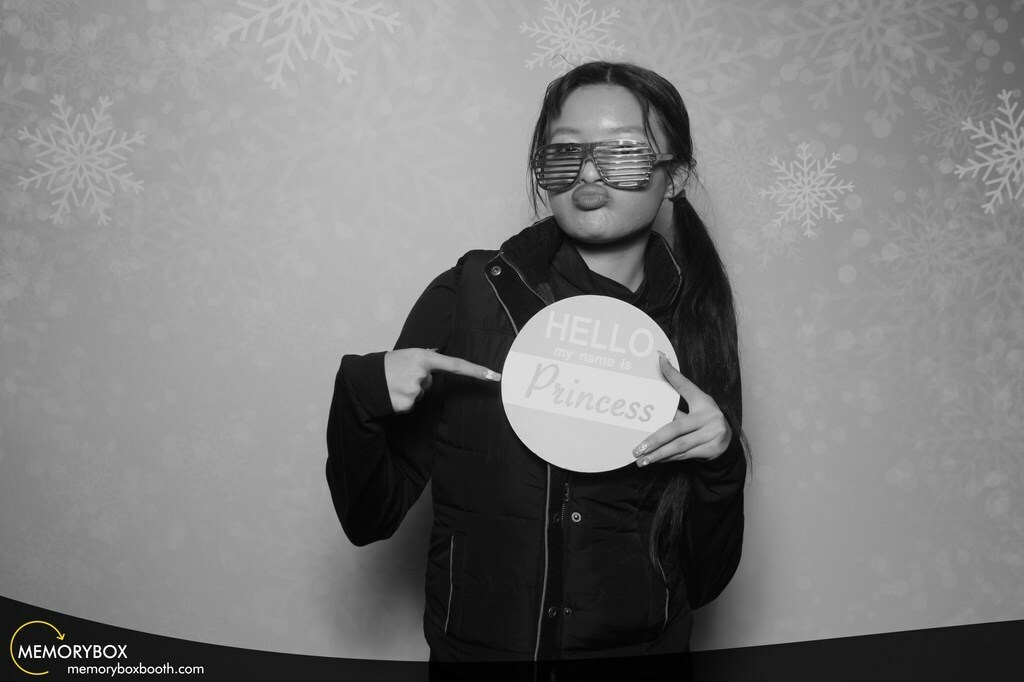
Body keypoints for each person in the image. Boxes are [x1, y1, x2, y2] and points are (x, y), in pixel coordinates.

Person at [326, 61, 747, 681]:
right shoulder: (470, 295)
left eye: (624, 152)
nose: (589, 173)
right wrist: (363, 392)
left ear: (675, 176)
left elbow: (704, 581)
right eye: (565, 152)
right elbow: (369, 517)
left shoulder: (695, 323)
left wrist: (719, 465)